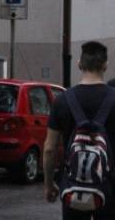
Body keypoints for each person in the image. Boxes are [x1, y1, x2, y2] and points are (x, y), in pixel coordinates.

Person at [44, 41, 115, 219]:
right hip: (110, 189)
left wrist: (49, 184)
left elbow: (49, 149)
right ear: (105, 66)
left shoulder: (62, 100)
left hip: (73, 188)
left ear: (79, 64)